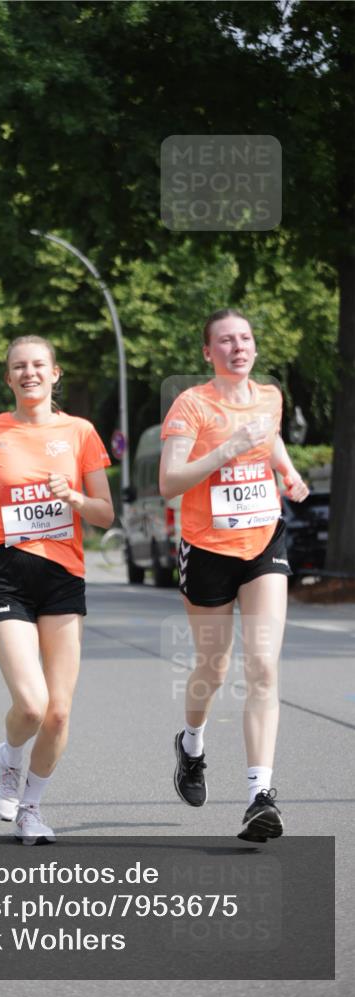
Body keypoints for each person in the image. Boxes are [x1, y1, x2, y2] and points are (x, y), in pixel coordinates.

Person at [0, 335, 114, 845]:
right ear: (8, 378)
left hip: (63, 575)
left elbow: (105, 513)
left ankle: (32, 808)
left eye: (38, 365)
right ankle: (8, 758)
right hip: (4, 571)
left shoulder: (80, 432)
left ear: (55, 373)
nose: (29, 373)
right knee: (33, 705)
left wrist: (76, 497)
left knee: (60, 710)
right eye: (19, 367)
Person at [159, 309, 309, 842]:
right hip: (206, 549)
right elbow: (169, 481)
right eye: (225, 340)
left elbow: (267, 440)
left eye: (245, 338)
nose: (238, 347)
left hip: (264, 538)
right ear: (208, 353)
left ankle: (259, 796)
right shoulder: (192, 405)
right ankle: (192, 744)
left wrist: (287, 472)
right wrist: (224, 449)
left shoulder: (269, 396)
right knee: (214, 668)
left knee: (264, 665)